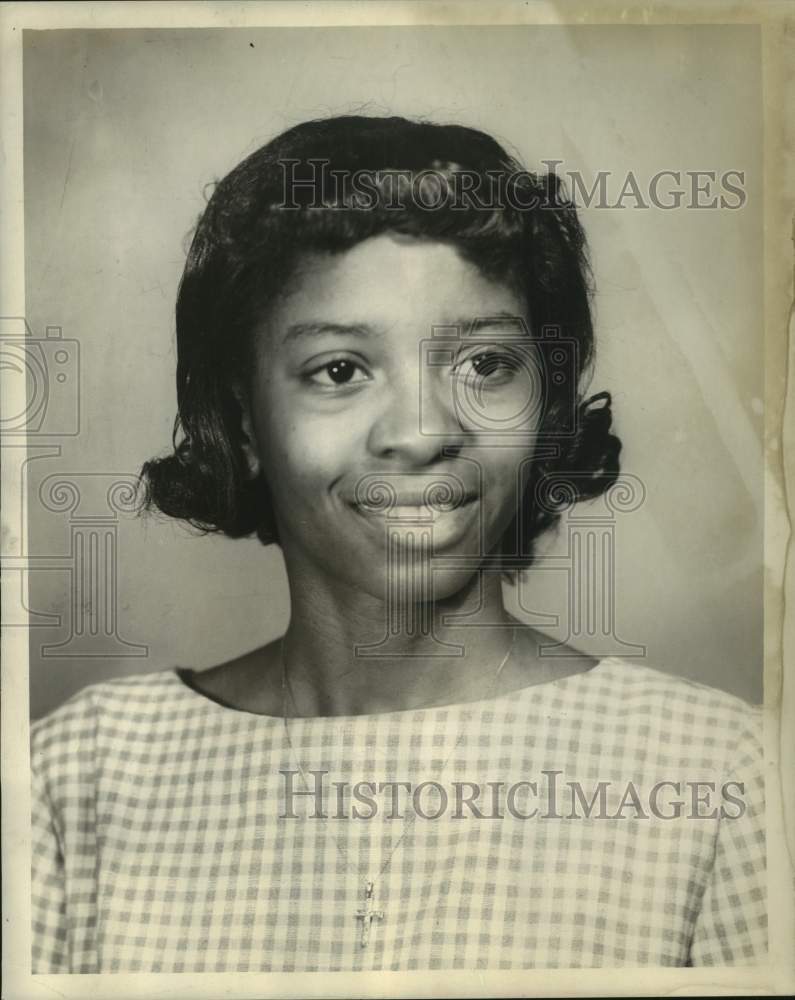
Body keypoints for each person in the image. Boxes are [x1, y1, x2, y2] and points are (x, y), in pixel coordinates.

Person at [31, 115, 765, 973]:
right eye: (339, 369)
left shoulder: (721, 778)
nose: (421, 433)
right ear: (241, 417)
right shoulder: (77, 779)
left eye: (486, 364)